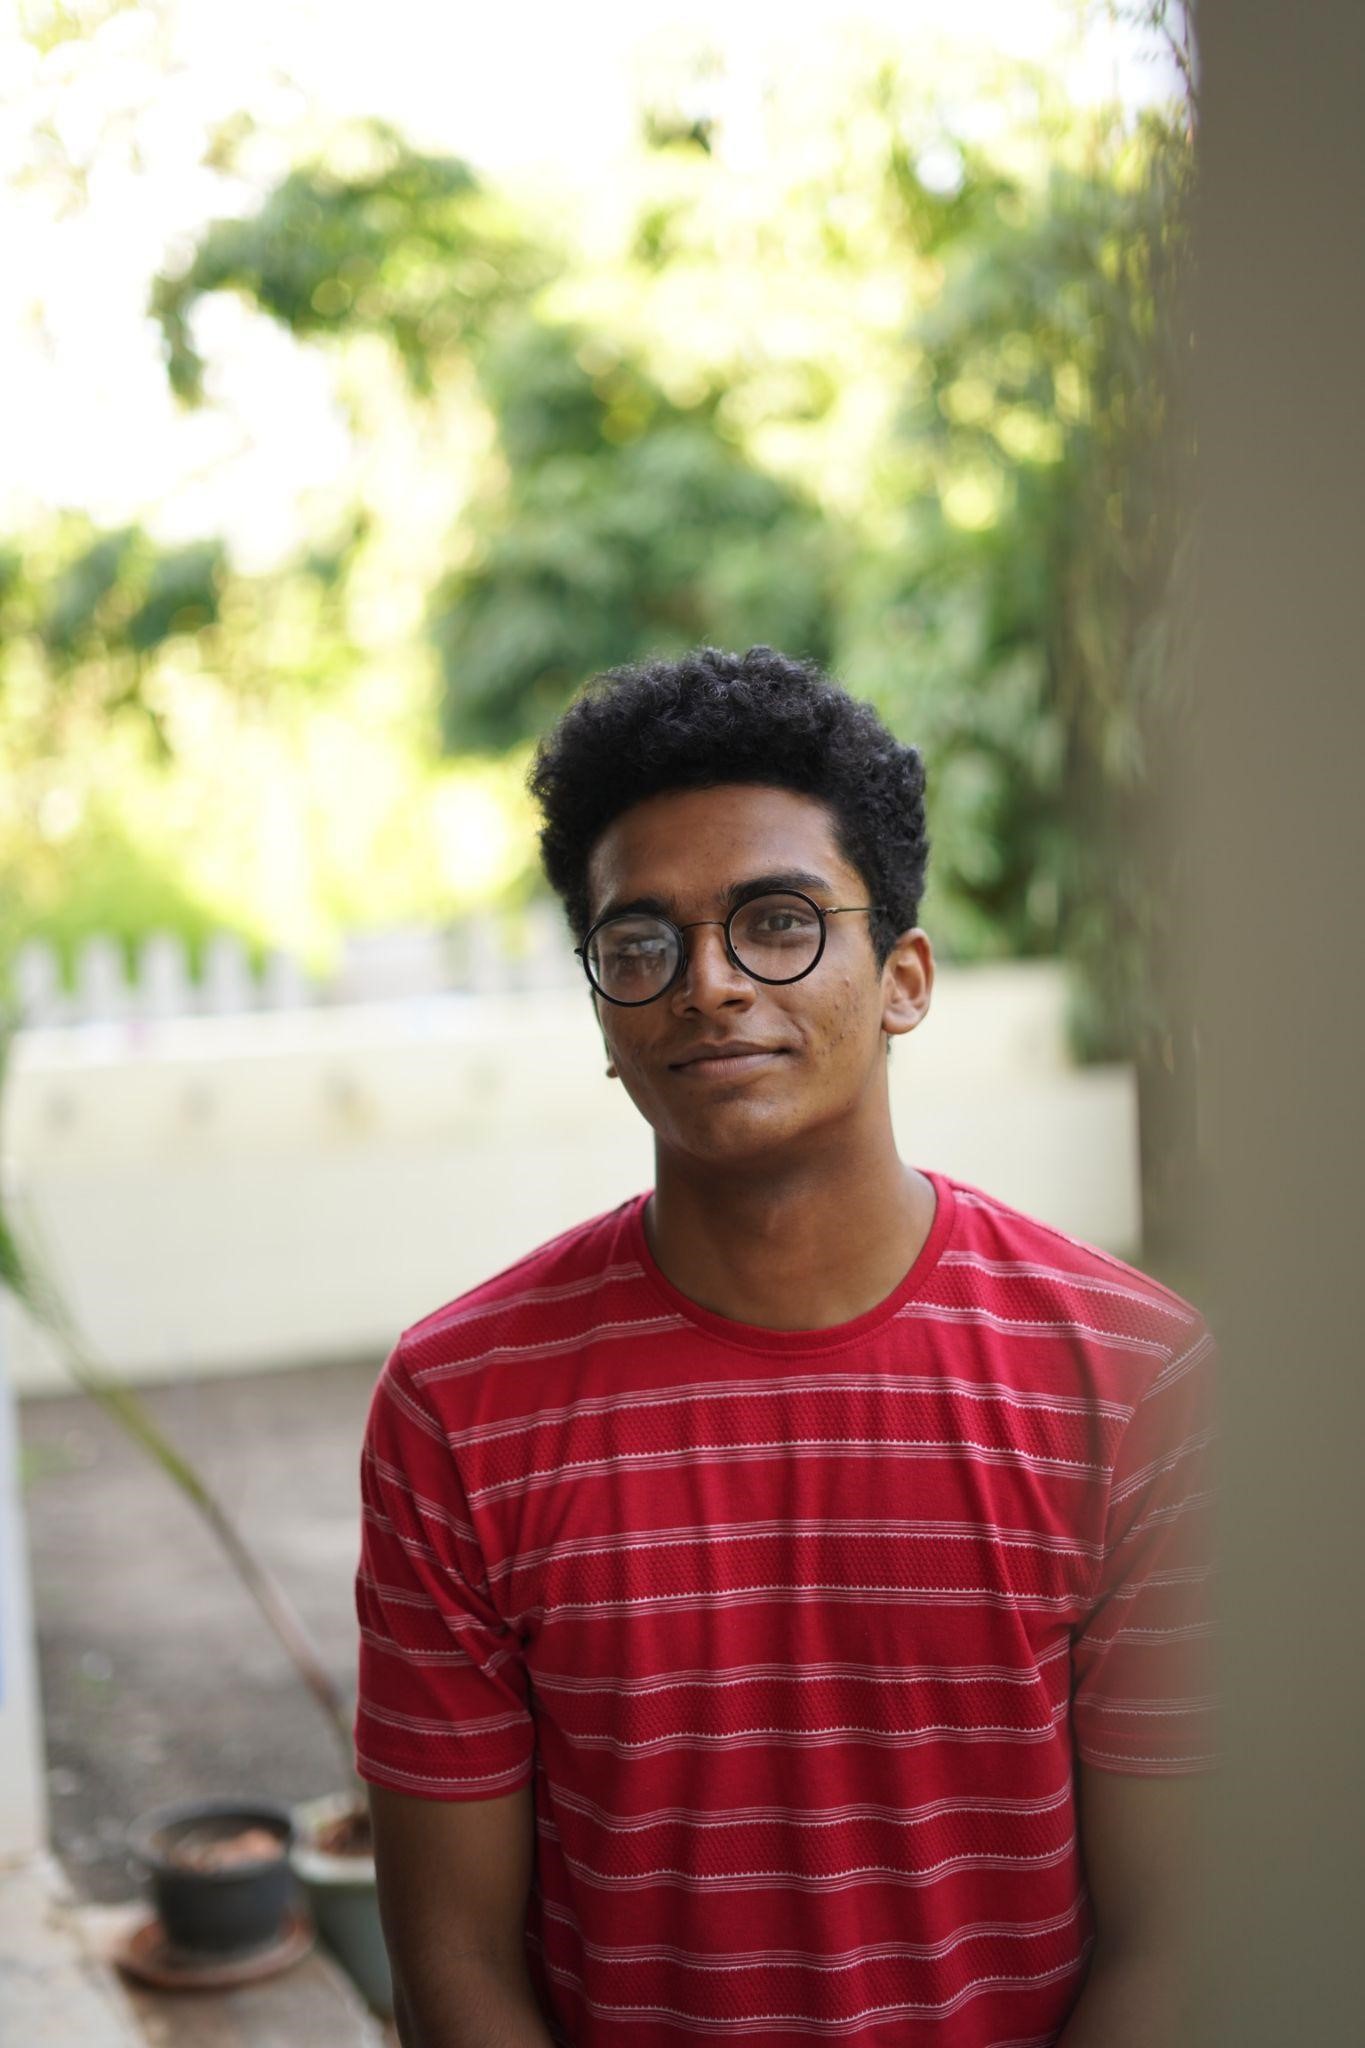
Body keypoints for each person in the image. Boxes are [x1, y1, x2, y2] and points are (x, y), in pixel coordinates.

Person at [353, 645, 1216, 2048]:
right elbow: (453, 1965)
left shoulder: (1129, 1380)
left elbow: (1180, 1943)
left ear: (904, 978)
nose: (707, 983)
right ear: (602, 1009)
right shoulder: (457, 1403)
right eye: (642, 943)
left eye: (777, 923)